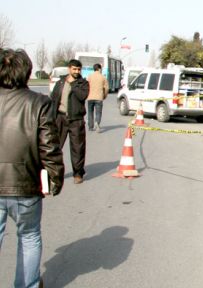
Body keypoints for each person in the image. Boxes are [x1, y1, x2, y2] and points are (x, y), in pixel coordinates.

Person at [0, 48, 65, 288]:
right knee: (28, 237)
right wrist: (54, 180)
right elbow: (49, 147)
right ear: (26, 73)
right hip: (26, 184)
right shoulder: (39, 103)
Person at [50, 59, 89, 184]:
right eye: (74, 69)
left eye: (78, 69)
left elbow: (82, 96)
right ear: (69, 69)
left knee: (78, 149)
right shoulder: (61, 82)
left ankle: (78, 173)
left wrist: (73, 84)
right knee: (54, 147)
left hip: (76, 120)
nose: (76, 71)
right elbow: (54, 98)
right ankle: (52, 174)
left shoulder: (83, 83)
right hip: (60, 118)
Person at [86, 63, 108, 133]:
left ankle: (90, 126)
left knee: (90, 112)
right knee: (98, 112)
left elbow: (86, 86)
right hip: (99, 98)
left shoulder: (89, 76)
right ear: (99, 69)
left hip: (90, 97)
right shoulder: (103, 77)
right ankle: (97, 123)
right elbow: (106, 88)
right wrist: (104, 95)